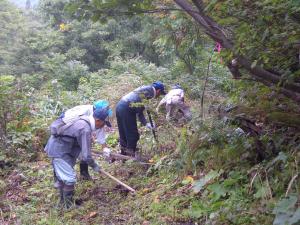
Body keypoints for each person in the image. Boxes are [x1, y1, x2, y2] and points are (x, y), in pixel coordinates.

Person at [44, 107, 111, 208]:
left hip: (63, 149)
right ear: (97, 120)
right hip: (59, 151)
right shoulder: (85, 128)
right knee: (69, 178)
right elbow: (86, 155)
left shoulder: (85, 122)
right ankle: (68, 206)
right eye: (103, 123)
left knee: (64, 178)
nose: (103, 126)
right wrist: (95, 166)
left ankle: (62, 204)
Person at [60, 100, 112, 180]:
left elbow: (100, 130)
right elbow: (76, 128)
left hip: (76, 131)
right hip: (64, 127)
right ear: (95, 110)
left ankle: (83, 173)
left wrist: (104, 147)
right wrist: (94, 165)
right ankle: (67, 175)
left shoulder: (98, 117)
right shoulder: (84, 112)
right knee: (81, 149)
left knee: (85, 147)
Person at [116, 81, 166, 157]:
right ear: (158, 91)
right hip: (127, 108)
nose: (159, 96)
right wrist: (147, 123)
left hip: (120, 106)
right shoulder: (151, 92)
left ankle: (123, 154)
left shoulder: (146, 89)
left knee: (123, 132)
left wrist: (146, 123)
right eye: (160, 93)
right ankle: (129, 156)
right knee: (133, 135)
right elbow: (140, 111)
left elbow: (139, 111)